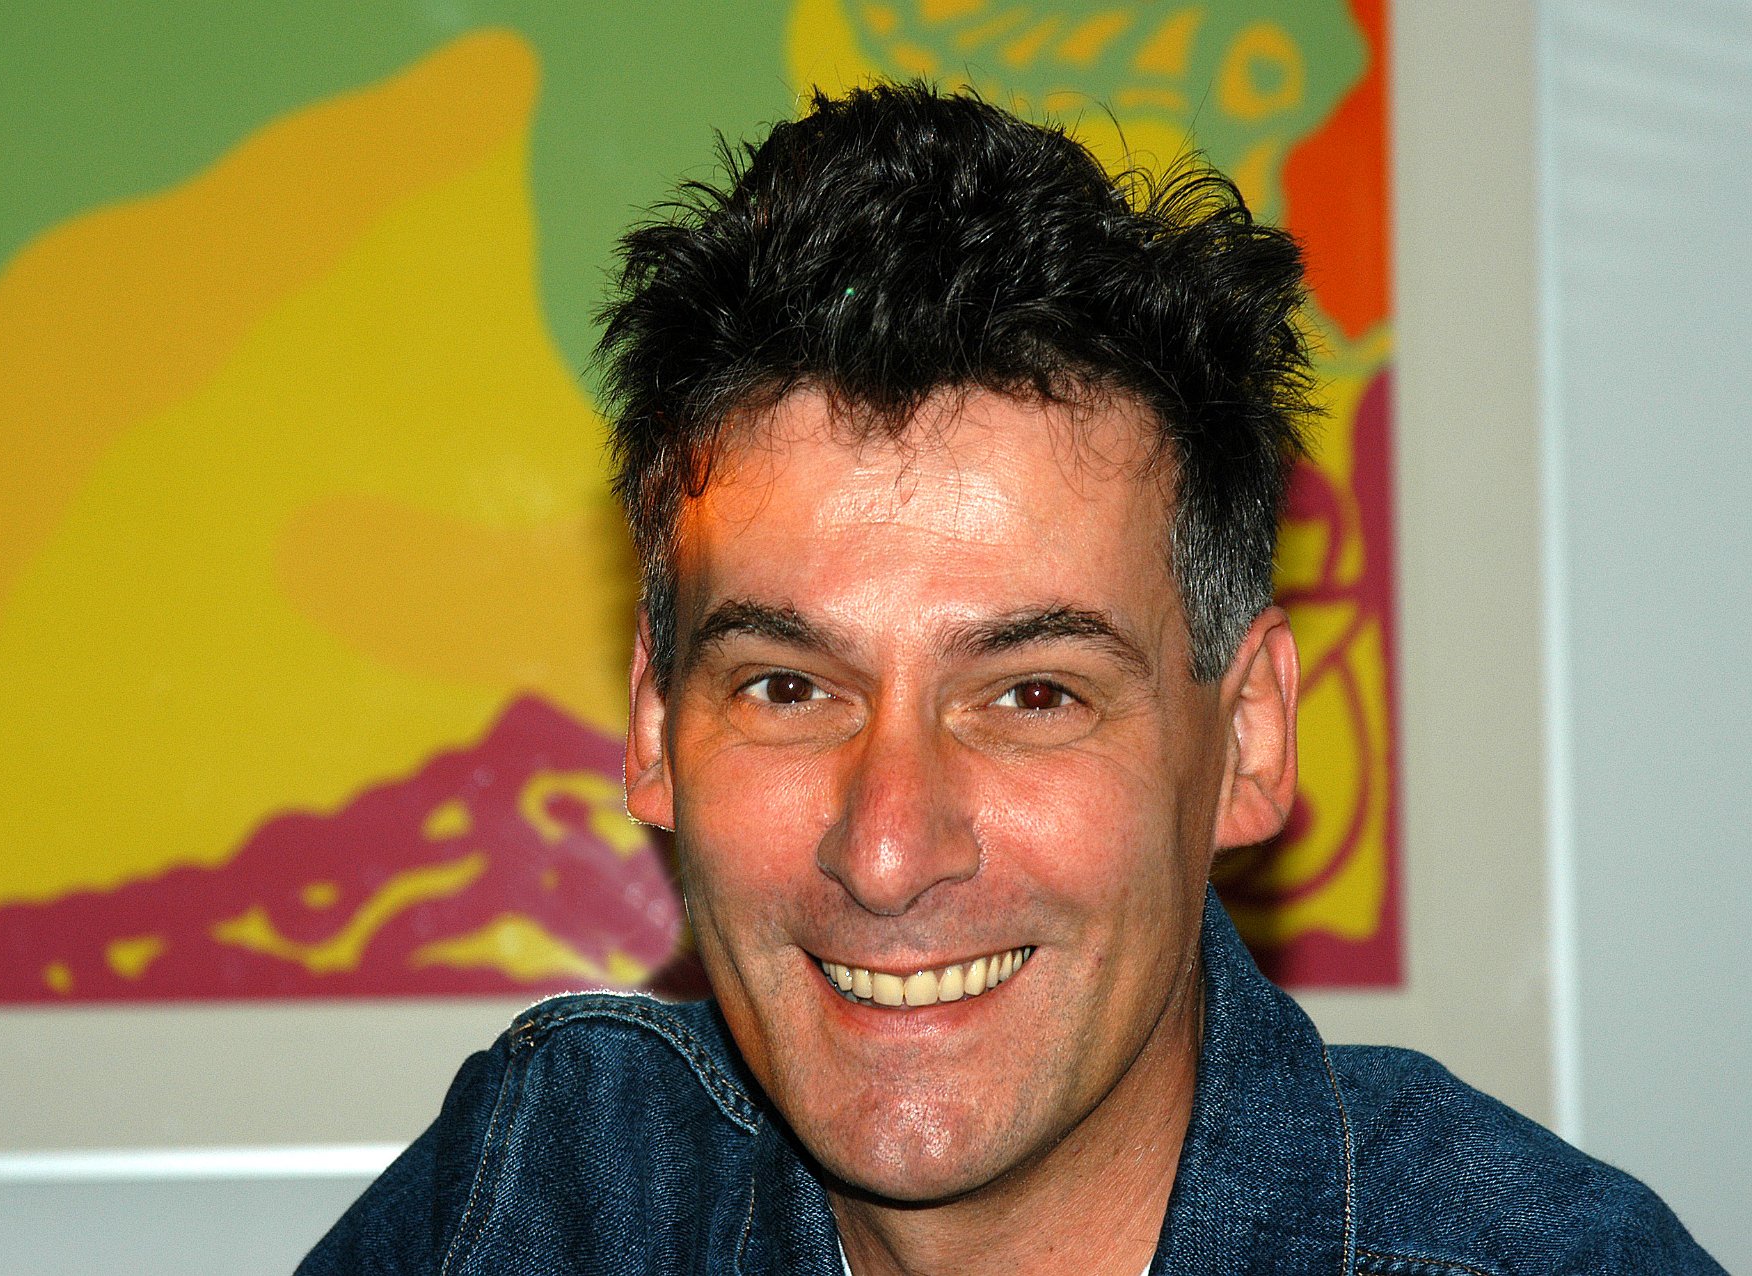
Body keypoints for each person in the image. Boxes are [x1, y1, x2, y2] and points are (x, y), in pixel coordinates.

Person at [300, 84, 1722, 1275]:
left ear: (1247, 738)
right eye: (788, 688)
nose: (887, 849)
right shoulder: (539, 1200)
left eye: (1033, 694)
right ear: (657, 733)